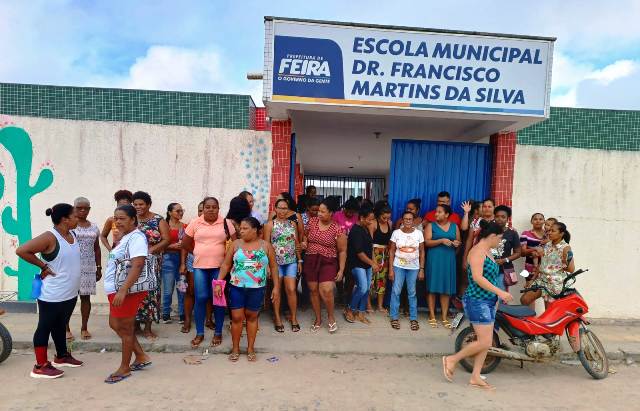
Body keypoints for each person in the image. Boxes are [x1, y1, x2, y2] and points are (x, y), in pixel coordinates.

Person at [443, 220, 513, 391]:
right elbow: (478, 278)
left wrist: (495, 299)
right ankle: (451, 360)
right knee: (484, 341)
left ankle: (475, 376)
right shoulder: (476, 252)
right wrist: (500, 292)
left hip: (488, 301)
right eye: (500, 238)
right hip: (476, 301)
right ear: (492, 236)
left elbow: (489, 277)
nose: (500, 241)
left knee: (486, 342)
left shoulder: (487, 251)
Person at [16, 204, 83, 379]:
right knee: (44, 327)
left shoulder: (72, 234)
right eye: (75, 216)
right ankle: (39, 366)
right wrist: (43, 265)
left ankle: (61, 356)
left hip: (69, 291)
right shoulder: (50, 237)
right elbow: (22, 250)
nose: (78, 219)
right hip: (52, 294)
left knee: (61, 325)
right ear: (64, 219)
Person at [215, 217, 280, 362]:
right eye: (240, 228)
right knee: (237, 318)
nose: (241, 231)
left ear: (255, 230)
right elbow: (226, 265)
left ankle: (250, 347)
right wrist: (219, 282)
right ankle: (236, 348)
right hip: (237, 287)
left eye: (245, 228)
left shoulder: (266, 246)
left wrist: (276, 287)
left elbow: (274, 267)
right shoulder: (235, 244)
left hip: (257, 289)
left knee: (252, 317)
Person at [103, 205, 152, 384]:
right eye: (116, 218)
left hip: (126, 291)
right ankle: (140, 356)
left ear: (133, 219)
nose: (118, 222)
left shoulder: (137, 237)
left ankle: (124, 368)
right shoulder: (126, 237)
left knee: (124, 328)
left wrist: (123, 290)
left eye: (122, 218)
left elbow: (137, 265)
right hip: (116, 289)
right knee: (115, 324)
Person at [181, 197, 237, 348]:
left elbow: (235, 243)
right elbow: (185, 242)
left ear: (219, 209)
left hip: (219, 268)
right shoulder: (195, 222)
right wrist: (197, 252)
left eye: (214, 207)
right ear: (203, 208)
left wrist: (229, 260)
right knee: (200, 297)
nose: (211, 209)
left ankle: (218, 332)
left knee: (218, 299)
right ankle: (200, 333)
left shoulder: (226, 223)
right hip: (199, 267)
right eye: (208, 207)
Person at [303, 198, 347, 334]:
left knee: (326, 290)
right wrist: (304, 242)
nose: (319, 214)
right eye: (319, 211)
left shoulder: (338, 229)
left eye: (323, 211)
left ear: (331, 213)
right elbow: (305, 236)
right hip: (311, 259)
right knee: (314, 290)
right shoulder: (311, 222)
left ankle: (331, 316)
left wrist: (341, 269)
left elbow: (342, 251)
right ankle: (318, 319)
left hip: (328, 261)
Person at [132, 191, 170, 339]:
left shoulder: (158, 220)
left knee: (151, 293)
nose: (138, 207)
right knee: (134, 292)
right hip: (133, 263)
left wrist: (150, 251)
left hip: (152, 263)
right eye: (135, 204)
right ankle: (135, 327)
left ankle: (148, 328)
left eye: (141, 204)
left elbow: (166, 240)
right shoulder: (131, 219)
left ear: (148, 204)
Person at [263, 199, 303, 332]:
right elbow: (266, 246)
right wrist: (267, 265)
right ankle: (277, 318)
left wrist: (299, 260)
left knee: (291, 289)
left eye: (285, 208)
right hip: (275, 264)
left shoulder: (292, 224)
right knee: (277, 290)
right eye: (279, 208)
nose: (282, 211)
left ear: (288, 210)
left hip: (291, 262)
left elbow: (296, 243)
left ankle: (294, 317)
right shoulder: (269, 225)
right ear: (275, 209)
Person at [66, 197, 101, 341]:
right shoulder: (69, 226)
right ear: (74, 208)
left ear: (89, 210)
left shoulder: (94, 227)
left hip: (88, 266)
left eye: (85, 208)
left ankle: (84, 328)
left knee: (85, 298)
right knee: (68, 299)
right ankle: (66, 329)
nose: (82, 210)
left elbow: (97, 248)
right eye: (79, 208)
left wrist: (98, 267)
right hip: (70, 266)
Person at [521, 222, 574, 307]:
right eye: (549, 230)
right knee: (525, 299)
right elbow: (541, 263)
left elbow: (571, 269)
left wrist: (561, 264)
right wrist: (532, 279)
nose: (549, 233)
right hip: (541, 280)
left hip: (555, 283)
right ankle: (531, 319)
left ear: (561, 234)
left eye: (553, 231)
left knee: (549, 311)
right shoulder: (547, 244)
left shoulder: (565, 248)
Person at [425, 204, 461, 328]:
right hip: (434, 259)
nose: (436, 214)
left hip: (448, 259)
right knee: (432, 287)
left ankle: (444, 316)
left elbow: (458, 242)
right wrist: (441, 240)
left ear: (447, 214)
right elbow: (427, 242)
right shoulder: (431, 225)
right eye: (436, 212)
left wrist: (456, 244)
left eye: (439, 212)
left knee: (446, 288)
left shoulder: (455, 226)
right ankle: (432, 315)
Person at [388, 211, 425, 331]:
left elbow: (422, 252)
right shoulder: (396, 233)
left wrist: (421, 269)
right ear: (402, 220)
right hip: (398, 266)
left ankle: (413, 318)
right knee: (396, 291)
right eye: (405, 219)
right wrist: (391, 270)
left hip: (413, 267)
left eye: (410, 219)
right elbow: (392, 251)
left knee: (412, 292)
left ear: (413, 221)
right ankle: (394, 317)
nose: (408, 221)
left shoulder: (419, 234)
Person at [344, 206, 379, 324]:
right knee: (363, 287)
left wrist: (373, 262)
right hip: (357, 264)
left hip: (367, 264)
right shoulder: (356, 231)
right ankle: (350, 309)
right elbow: (359, 253)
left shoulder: (365, 228)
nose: (371, 222)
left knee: (366, 289)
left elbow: (370, 248)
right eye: (369, 219)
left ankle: (361, 313)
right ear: (362, 218)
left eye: (373, 219)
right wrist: (372, 264)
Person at [180, 201, 204, 334]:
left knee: (208, 292)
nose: (202, 213)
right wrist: (183, 264)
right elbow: (185, 245)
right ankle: (188, 320)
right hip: (193, 259)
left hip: (211, 261)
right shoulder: (192, 224)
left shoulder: (218, 225)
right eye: (200, 210)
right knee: (191, 291)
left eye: (204, 210)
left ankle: (208, 320)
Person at [161, 202, 186, 324]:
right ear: (170, 212)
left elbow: (184, 247)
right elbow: (158, 245)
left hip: (181, 258)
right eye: (178, 211)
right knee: (168, 289)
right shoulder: (164, 226)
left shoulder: (184, 227)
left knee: (182, 289)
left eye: (182, 211)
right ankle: (166, 313)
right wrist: (171, 245)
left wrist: (183, 263)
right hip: (167, 259)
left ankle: (182, 314)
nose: (181, 213)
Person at [368, 203, 392, 313]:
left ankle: (380, 305)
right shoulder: (373, 224)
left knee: (382, 281)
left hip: (385, 255)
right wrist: (373, 260)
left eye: (388, 217)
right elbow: (369, 243)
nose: (386, 220)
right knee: (371, 280)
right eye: (384, 217)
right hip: (373, 253)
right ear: (378, 215)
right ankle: (368, 305)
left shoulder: (390, 224)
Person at [493, 205, 522, 290]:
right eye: (497, 216)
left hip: (503, 270)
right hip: (488, 269)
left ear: (507, 219)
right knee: (488, 296)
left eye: (503, 217)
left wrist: (504, 260)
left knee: (501, 295)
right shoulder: (488, 231)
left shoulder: (512, 233)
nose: (499, 219)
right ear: (494, 217)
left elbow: (518, 253)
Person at [520, 213, 546, 283]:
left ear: (544, 221)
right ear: (531, 221)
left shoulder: (548, 235)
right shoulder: (525, 234)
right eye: (535, 219)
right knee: (529, 289)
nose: (538, 221)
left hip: (546, 269)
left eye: (540, 219)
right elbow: (522, 253)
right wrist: (534, 249)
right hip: (529, 268)